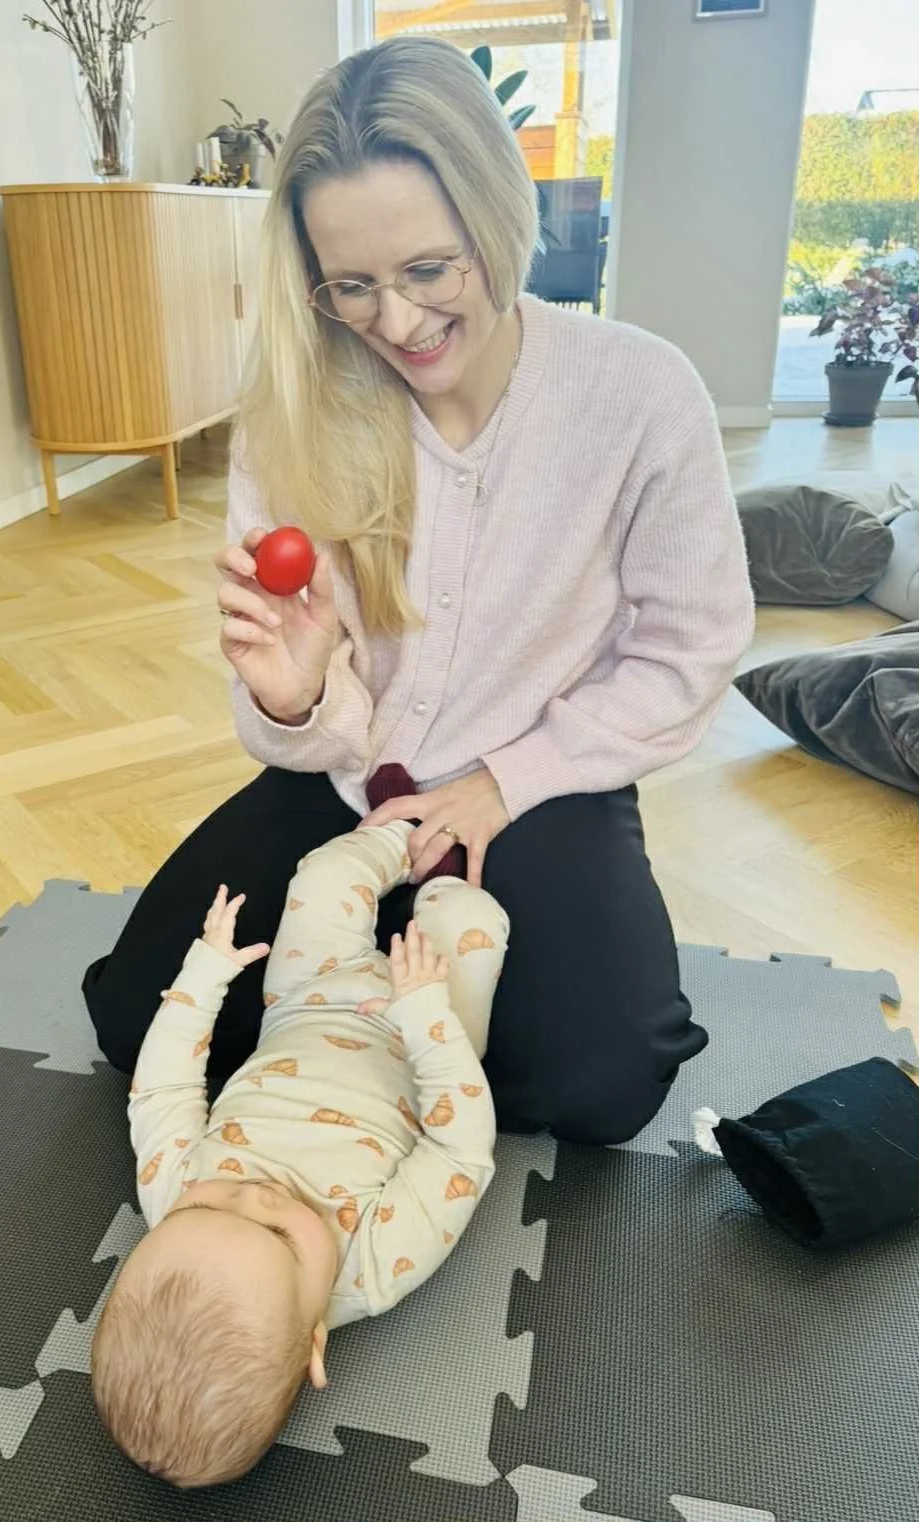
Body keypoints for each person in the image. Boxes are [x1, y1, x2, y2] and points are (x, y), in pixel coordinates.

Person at [82, 35, 755, 1145]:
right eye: (351, 287)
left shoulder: (640, 391)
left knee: (604, 1088)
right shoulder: (294, 410)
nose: (396, 323)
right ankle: (401, 1013)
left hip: (537, 780)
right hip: (347, 768)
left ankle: (377, 1008)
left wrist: (505, 781)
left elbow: (690, 646)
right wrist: (299, 699)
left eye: (430, 270)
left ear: (498, 214)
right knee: (129, 1022)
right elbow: (303, 714)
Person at [91, 819, 507, 1485]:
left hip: (303, 999)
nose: (257, 1195)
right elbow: (459, 1153)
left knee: (325, 874)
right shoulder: (374, 1266)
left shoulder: (167, 1193)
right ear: (314, 1339)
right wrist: (427, 1017)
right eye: (280, 1233)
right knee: (469, 916)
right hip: (423, 1032)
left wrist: (204, 976)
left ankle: (407, 831)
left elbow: (163, 1088)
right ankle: (447, 867)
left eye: (206, 1206)